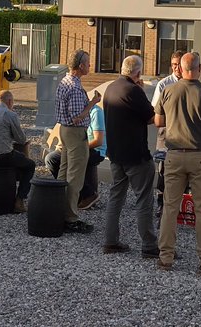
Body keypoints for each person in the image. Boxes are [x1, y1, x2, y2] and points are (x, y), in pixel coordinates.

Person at [155, 52, 201, 275]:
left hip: (174, 154)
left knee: (170, 207)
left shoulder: (168, 90)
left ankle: (165, 257)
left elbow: (158, 121)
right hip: (199, 155)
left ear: (180, 69)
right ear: (199, 68)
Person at [101, 54, 158, 257]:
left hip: (115, 153)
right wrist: (142, 91)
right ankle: (150, 246)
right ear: (138, 73)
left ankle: (110, 241)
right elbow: (151, 118)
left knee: (116, 196)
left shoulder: (111, 87)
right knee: (143, 199)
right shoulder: (134, 90)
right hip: (136, 155)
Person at [55, 49, 101, 233]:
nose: (90, 66)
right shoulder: (74, 87)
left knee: (63, 173)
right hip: (75, 133)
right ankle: (70, 218)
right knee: (75, 177)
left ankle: (57, 211)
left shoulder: (64, 82)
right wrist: (93, 102)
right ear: (81, 66)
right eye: (88, 63)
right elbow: (76, 117)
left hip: (65, 131)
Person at [45, 102, 106, 210]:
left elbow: (98, 140)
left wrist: (76, 146)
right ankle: (67, 190)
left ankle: (88, 194)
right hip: (77, 146)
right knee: (51, 159)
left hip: (94, 149)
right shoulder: (76, 112)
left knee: (70, 161)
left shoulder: (95, 112)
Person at [150, 50, 185, 151]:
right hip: (167, 130)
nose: (177, 68)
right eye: (174, 64)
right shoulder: (163, 84)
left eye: (179, 64)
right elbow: (155, 109)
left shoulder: (191, 84)